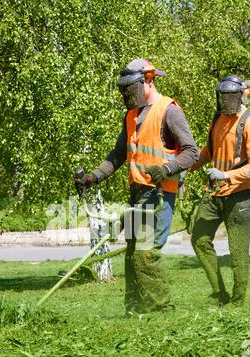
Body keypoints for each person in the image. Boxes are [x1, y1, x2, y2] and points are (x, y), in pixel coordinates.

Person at [75, 58, 199, 316]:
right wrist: (93, 177)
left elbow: (192, 152)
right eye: (125, 90)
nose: (128, 95)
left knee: (146, 252)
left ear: (149, 81)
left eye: (132, 89)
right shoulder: (131, 115)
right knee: (133, 252)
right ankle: (135, 307)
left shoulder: (169, 110)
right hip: (138, 193)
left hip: (160, 194)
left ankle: (161, 309)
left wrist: (165, 169)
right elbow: (119, 154)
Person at [191, 75, 250, 306]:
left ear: (241, 95)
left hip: (240, 196)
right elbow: (209, 151)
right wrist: (186, 167)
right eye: (223, 96)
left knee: (238, 253)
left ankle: (237, 302)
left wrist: (227, 175)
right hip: (214, 193)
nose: (226, 101)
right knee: (199, 239)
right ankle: (219, 293)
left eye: (231, 96)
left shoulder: (247, 121)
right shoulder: (217, 118)